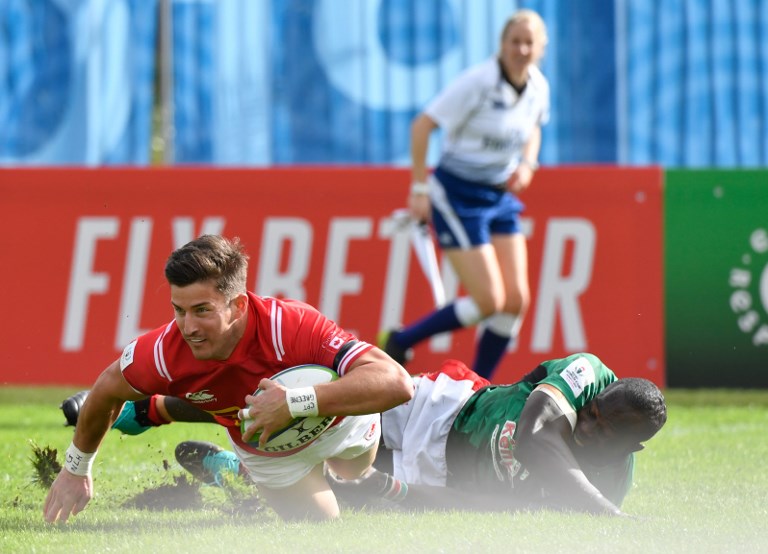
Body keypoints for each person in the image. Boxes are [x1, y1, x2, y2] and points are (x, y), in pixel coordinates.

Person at [43, 235, 413, 523]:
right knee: (321, 529)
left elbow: (396, 382)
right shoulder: (163, 352)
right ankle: (232, 468)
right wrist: (75, 469)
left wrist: (292, 403)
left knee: (352, 471)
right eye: (179, 310)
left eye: (202, 310)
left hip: (338, 425)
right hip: (267, 453)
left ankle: (156, 413)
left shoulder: (292, 326)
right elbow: (106, 390)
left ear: (237, 305)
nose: (188, 327)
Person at [63, 352, 666, 516]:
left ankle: (231, 470)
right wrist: (607, 521)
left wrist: (395, 493)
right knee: (306, 406)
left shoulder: (606, 488)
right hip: (446, 409)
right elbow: (536, 433)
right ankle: (137, 412)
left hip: (441, 478)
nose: (585, 421)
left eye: (599, 430)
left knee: (338, 491)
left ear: (627, 449)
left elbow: (488, 509)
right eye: (590, 412)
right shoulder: (588, 376)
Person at [381, 9, 550, 380]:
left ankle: (478, 387)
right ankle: (401, 340)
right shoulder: (478, 82)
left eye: (529, 43)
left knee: (516, 301)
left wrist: (528, 163)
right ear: (502, 44)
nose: (521, 49)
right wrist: (419, 188)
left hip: (499, 196)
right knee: (491, 301)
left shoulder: (538, 87)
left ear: (541, 49)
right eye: (514, 41)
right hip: (457, 193)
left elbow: (534, 127)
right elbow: (422, 126)